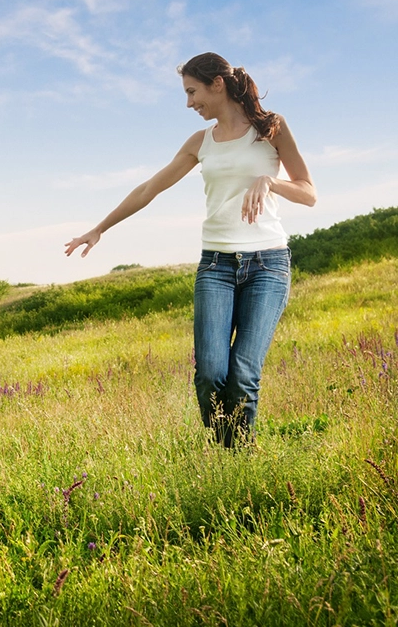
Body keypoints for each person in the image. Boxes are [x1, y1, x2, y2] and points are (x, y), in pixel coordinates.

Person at [65, 52, 316, 447]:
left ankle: (238, 461)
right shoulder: (201, 142)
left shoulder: (271, 127)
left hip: (267, 263)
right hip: (215, 265)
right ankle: (225, 452)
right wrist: (99, 229)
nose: (189, 103)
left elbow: (309, 192)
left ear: (217, 83)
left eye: (192, 91)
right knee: (211, 373)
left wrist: (270, 183)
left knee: (244, 374)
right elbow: (150, 188)